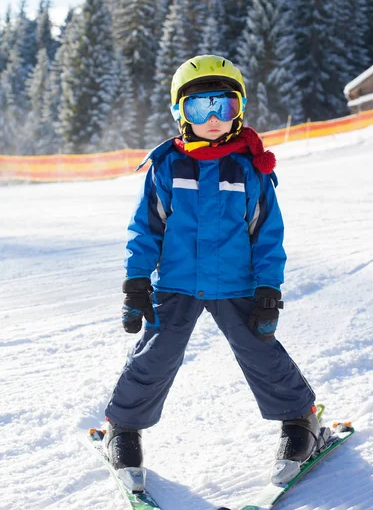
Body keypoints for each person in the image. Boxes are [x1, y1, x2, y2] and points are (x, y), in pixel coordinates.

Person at [104, 54, 319, 477]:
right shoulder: (167, 166)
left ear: (239, 109)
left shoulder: (249, 170)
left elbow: (267, 236)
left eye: (226, 105)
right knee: (155, 354)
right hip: (178, 283)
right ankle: (124, 428)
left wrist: (268, 289)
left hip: (237, 284)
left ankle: (301, 419)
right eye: (201, 107)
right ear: (180, 112)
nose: (214, 117)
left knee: (261, 353)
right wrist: (135, 282)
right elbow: (145, 229)